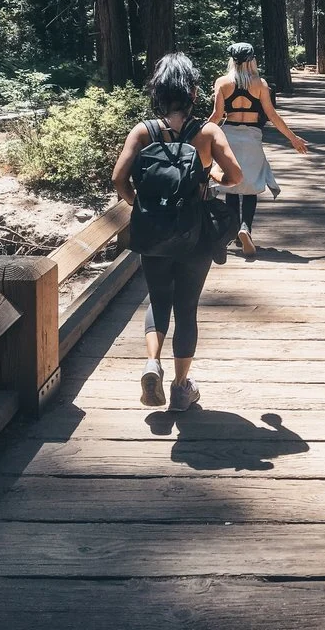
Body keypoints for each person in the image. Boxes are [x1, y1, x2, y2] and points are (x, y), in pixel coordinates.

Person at [112, 52, 243, 411]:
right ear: (193, 93)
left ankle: (151, 363)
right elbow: (236, 177)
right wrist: (210, 178)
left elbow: (118, 180)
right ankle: (181, 386)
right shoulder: (207, 132)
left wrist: (140, 206)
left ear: (157, 92)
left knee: (158, 299)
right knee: (186, 309)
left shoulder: (143, 132)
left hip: (152, 233)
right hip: (194, 233)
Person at [210, 42, 308, 254]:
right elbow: (272, 115)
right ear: (252, 60)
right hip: (252, 138)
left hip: (229, 138)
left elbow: (217, 116)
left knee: (231, 187)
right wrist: (293, 138)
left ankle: (234, 230)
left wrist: (199, 134)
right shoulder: (260, 84)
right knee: (252, 186)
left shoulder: (222, 83)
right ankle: (246, 228)